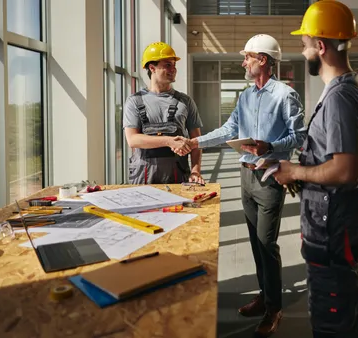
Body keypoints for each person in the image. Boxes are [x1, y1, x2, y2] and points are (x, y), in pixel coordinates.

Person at [183, 34, 306, 337]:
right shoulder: (246, 95)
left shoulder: (285, 95)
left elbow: (300, 136)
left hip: (269, 177)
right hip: (245, 176)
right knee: (254, 241)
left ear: (262, 60)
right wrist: (194, 141)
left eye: (247, 57)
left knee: (267, 243)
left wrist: (271, 146)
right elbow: (229, 129)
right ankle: (265, 295)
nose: (243, 62)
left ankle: (274, 308)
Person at [273, 1, 358, 337]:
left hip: (333, 227)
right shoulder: (342, 91)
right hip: (330, 222)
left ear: (320, 46)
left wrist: (295, 173)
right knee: (339, 310)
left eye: (304, 45)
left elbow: (346, 171)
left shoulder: (341, 96)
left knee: (333, 318)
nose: (303, 53)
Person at [123, 42, 205, 185]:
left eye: (174, 65)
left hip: (178, 177)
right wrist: (168, 141)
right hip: (143, 179)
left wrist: (195, 171)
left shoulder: (185, 101)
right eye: (168, 65)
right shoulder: (135, 101)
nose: (173, 69)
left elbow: (196, 141)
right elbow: (133, 140)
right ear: (152, 67)